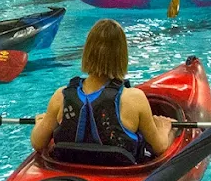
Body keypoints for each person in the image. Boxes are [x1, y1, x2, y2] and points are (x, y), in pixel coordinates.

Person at [30, 19, 174, 159]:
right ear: (122, 57)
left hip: (69, 169)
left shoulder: (61, 96)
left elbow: (37, 143)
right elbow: (159, 147)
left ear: (87, 52)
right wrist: (164, 128)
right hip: (119, 173)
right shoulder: (135, 99)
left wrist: (40, 124)